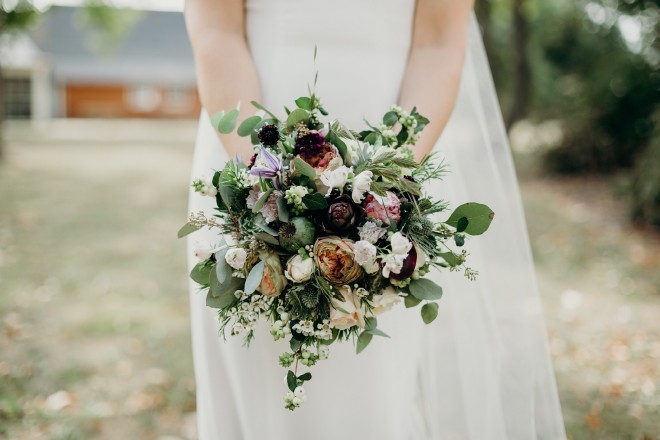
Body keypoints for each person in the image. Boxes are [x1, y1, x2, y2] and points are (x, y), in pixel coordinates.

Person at [184, 0, 566, 439]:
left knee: (371, 390)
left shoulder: (391, 179)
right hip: (246, 150)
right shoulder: (254, 167)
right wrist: (264, 177)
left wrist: (389, 178)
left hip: (393, 166)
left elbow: (438, 43)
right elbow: (217, 31)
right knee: (259, 386)